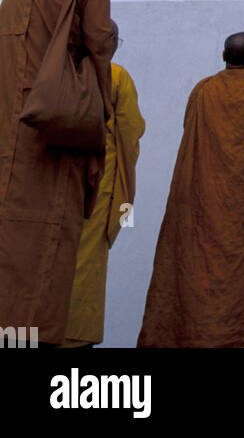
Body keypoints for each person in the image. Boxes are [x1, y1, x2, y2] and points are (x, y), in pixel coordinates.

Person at [0, 0, 113, 346]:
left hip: (12, 141)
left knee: (10, 246)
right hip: (56, 139)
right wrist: (100, 126)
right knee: (48, 246)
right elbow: (99, 46)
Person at [137, 31, 244, 348]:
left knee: (192, 285)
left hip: (202, 213)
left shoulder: (204, 91)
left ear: (223, 56)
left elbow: (190, 133)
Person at [62, 21, 145, 347]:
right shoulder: (117, 77)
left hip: (55, 180)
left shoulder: (61, 72)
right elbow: (131, 131)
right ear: (107, 41)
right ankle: (74, 336)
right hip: (96, 189)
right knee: (84, 266)